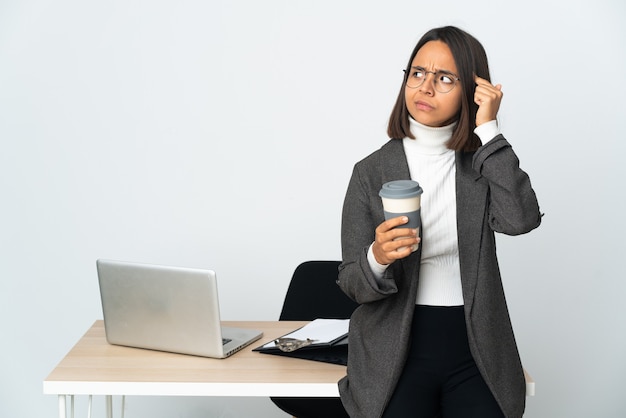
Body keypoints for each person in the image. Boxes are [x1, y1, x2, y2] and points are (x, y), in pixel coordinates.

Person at [337, 26, 542, 418]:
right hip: (393, 349)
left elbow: (520, 220)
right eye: (417, 73)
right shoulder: (370, 171)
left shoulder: (480, 166)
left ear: (472, 90)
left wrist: (488, 130)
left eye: (445, 78)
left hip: (475, 345)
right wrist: (378, 257)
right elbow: (352, 282)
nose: (425, 87)